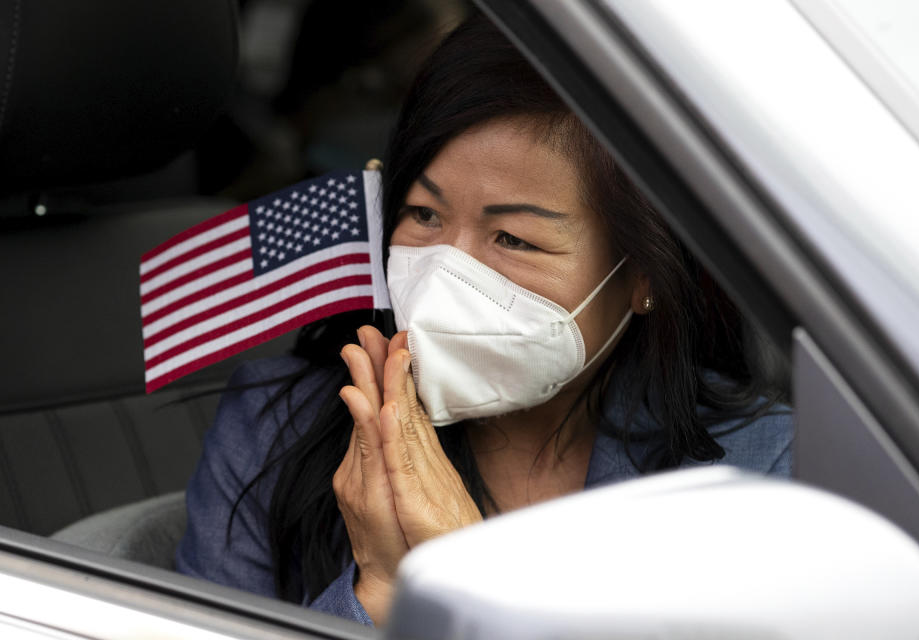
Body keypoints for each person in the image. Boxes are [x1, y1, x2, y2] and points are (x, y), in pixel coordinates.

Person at [175, 13, 793, 628]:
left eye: (513, 239)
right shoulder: (274, 434)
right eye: (423, 214)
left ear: (642, 277)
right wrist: (381, 595)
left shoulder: (758, 469)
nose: (446, 272)